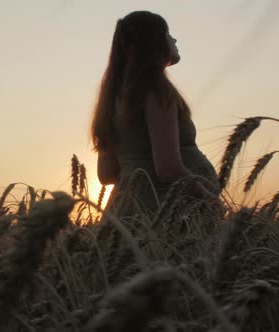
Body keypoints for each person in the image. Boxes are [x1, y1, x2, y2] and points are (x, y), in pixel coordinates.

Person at [90, 11, 220, 218]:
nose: (174, 39)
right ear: (153, 42)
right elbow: (168, 169)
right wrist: (211, 201)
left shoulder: (111, 99)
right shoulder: (155, 88)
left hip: (126, 211)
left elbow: (106, 174)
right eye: (167, 32)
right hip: (169, 215)